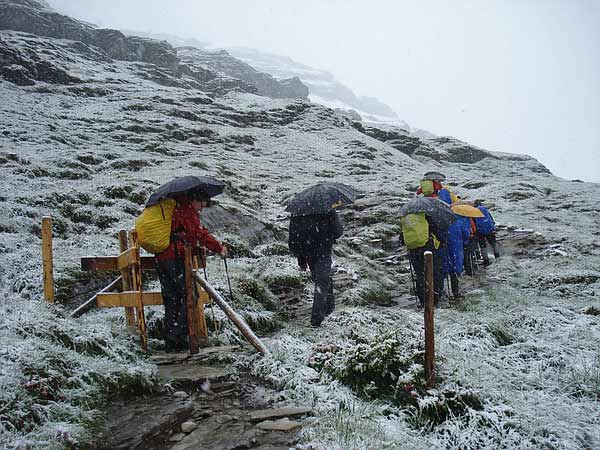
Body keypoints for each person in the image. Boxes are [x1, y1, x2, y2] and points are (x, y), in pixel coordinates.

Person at [155, 188, 228, 352]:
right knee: (190, 294)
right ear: (195, 200)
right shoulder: (186, 210)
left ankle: (171, 340)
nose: (201, 209)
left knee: (171, 298)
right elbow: (198, 233)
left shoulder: (174, 207)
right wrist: (218, 247)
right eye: (202, 205)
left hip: (161, 257)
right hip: (175, 257)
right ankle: (178, 335)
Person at [288, 210, 343, 327]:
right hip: (323, 250)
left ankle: (329, 308)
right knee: (322, 281)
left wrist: (301, 258)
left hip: (308, 252)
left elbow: (293, 240)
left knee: (322, 279)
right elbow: (338, 232)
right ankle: (317, 320)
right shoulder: (328, 209)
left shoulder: (297, 213)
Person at [401, 212, 447, 306]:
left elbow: (402, 238)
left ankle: (422, 299)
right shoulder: (426, 216)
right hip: (427, 248)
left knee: (419, 274)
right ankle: (435, 296)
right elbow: (437, 232)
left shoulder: (406, 219)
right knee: (433, 272)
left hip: (413, 250)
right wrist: (443, 241)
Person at [443, 214, 472, 298]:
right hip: (457, 247)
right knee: (455, 268)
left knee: (446, 267)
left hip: (445, 248)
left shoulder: (442, 223)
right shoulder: (457, 222)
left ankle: (444, 291)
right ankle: (455, 291)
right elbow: (466, 233)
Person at [473, 200, 500, 266]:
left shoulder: (473, 212)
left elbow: (474, 223)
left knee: (483, 246)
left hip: (480, 231)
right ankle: (497, 256)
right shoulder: (485, 210)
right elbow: (491, 219)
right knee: (493, 243)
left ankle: (486, 260)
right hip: (489, 229)